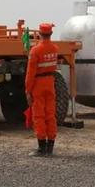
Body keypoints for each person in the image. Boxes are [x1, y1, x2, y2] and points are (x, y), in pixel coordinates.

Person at [25, 23, 59, 156]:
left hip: (38, 84)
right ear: (51, 33)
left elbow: (30, 73)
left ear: (39, 33)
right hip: (50, 82)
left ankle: (41, 148)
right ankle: (50, 147)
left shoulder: (35, 51)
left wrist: (28, 90)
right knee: (50, 115)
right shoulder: (55, 48)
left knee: (38, 115)